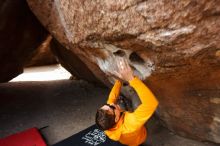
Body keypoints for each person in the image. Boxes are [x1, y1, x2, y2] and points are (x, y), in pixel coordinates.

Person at [95, 58, 159, 146]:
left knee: (120, 103)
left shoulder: (106, 124)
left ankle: (125, 106)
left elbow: (111, 99)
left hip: (125, 136)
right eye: (112, 107)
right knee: (136, 98)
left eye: (107, 105)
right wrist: (131, 79)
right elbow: (151, 103)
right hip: (140, 138)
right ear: (116, 118)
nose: (111, 104)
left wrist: (119, 81)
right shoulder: (130, 123)